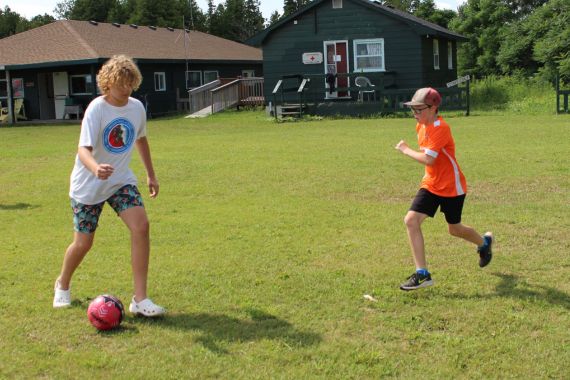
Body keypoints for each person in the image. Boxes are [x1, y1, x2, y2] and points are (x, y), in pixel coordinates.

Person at [53, 55, 165, 316]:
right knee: (83, 243)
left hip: (120, 181)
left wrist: (151, 174)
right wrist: (95, 168)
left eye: (130, 84)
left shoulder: (136, 108)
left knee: (141, 226)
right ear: (107, 83)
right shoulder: (97, 108)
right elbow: (83, 149)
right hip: (88, 186)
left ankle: (140, 299)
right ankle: (63, 284)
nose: (126, 89)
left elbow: (141, 140)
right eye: (121, 84)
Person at [395, 87, 493, 291]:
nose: (415, 114)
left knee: (455, 229)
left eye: (419, 109)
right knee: (411, 220)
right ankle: (422, 274)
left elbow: (429, 158)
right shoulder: (420, 127)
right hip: (431, 184)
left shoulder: (441, 127)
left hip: (452, 187)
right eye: (412, 110)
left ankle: (484, 244)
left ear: (433, 108)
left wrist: (405, 150)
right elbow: (430, 162)